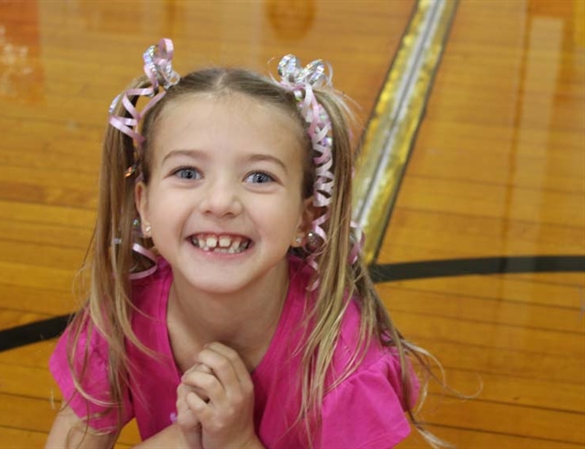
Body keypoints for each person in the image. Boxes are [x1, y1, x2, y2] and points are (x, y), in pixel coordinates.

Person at [46, 38, 439, 449]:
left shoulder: (344, 364)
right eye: (187, 172)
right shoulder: (122, 315)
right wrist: (185, 436)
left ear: (307, 217)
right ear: (143, 205)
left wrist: (234, 441)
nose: (220, 203)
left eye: (259, 177)